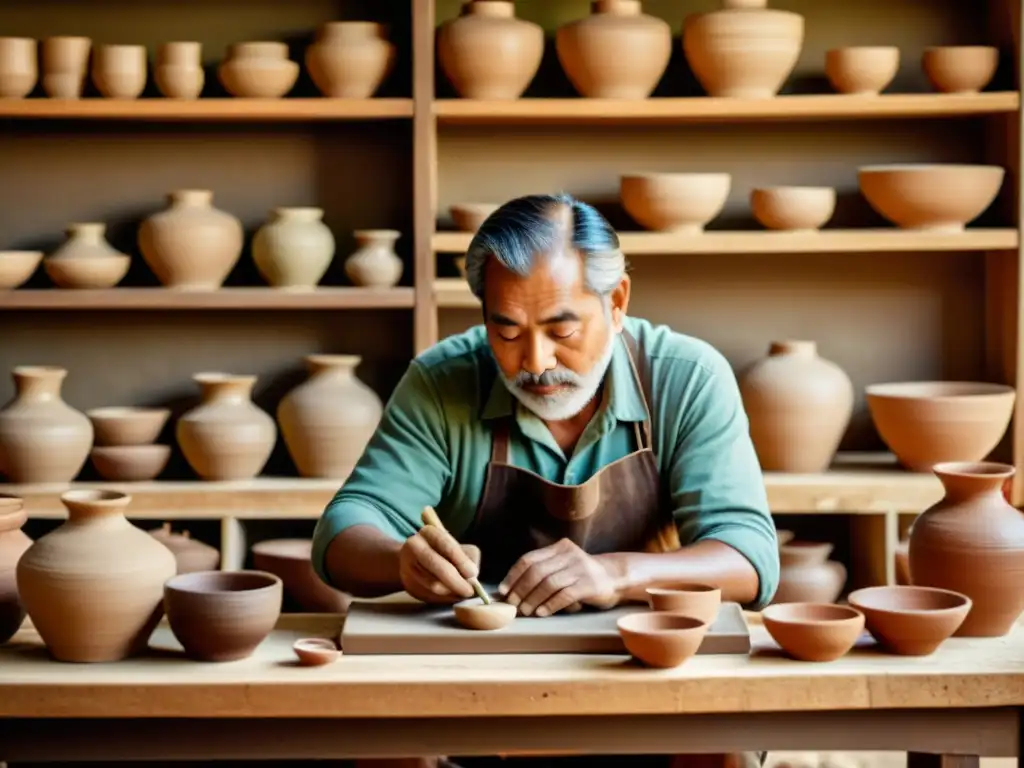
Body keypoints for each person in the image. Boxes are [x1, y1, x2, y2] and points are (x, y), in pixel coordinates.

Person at [312, 193, 780, 768]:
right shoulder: (442, 382)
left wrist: (617, 572)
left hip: (646, 672)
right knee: (382, 741)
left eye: (562, 329)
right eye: (506, 332)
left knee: (724, 739)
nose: (534, 362)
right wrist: (400, 561)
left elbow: (752, 558)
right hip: (475, 679)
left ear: (617, 302)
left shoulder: (686, 378)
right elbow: (341, 531)